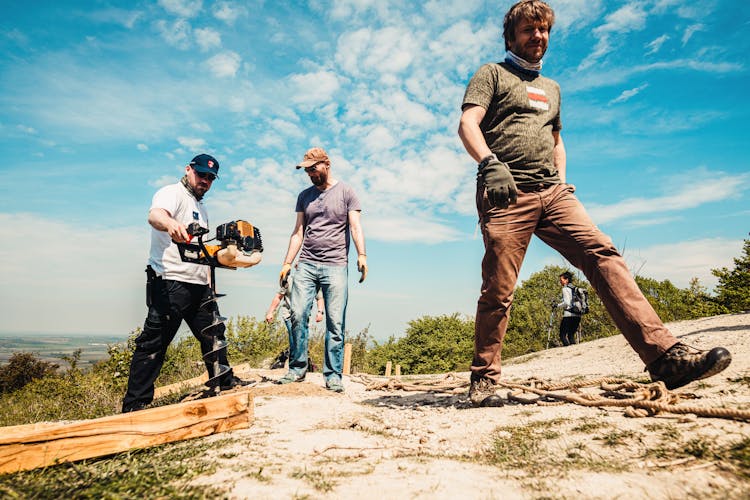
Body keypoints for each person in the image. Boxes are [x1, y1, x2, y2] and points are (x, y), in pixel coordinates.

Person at [457, 0, 731, 407]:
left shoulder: (552, 89)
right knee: (499, 288)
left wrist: (563, 185)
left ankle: (664, 358)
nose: (539, 36)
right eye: (530, 29)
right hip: (506, 193)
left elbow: (555, 141)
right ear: (511, 36)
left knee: (603, 253)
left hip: (553, 192)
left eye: (545, 29)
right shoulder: (491, 74)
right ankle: (484, 377)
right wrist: (489, 162)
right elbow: (467, 124)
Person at [122, 154, 250, 412]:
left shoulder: (201, 208)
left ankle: (224, 383)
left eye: (210, 178)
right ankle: (135, 405)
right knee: (153, 343)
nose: (205, 180)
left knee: (214, 335)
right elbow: (155, 215)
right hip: (169, 281)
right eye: (201, 174)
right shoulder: (172, 193)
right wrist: (170, 223)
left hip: (198, 283)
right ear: (188, 170)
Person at [276, 147, 367, 393]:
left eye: (313, 168)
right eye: (306, 170)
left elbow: (356, 227)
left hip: (336, 265)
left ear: (326, 164)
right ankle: (296, 369)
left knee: (335, 322)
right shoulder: (304, 196)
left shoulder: (347, 192)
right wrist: (287, 262)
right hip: (305, 264)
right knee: (296, 314)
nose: (310, 173)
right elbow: (298, 232)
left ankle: (333, 375)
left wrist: (362, 255)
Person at [265, 271, 325, 369]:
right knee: (295, 338)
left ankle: (301, 364)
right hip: (289, 314)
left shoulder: (314, 283)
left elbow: (320, 298)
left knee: (301, 339)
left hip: (304, 316)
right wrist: (270, 312)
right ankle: (295, 366)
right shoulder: (288, 281)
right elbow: (278, 297)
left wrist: (320, 312)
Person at [556, 271, 581, 346]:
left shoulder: (565, 289)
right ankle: (573, 352)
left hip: (569, 315)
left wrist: (557, 305)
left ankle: (567, 352)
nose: (560, 281)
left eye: (561, 280)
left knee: (562, 335)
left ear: (566, 280)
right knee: (571, 335)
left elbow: (566, 303)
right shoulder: (575, 288)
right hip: (578, 315)